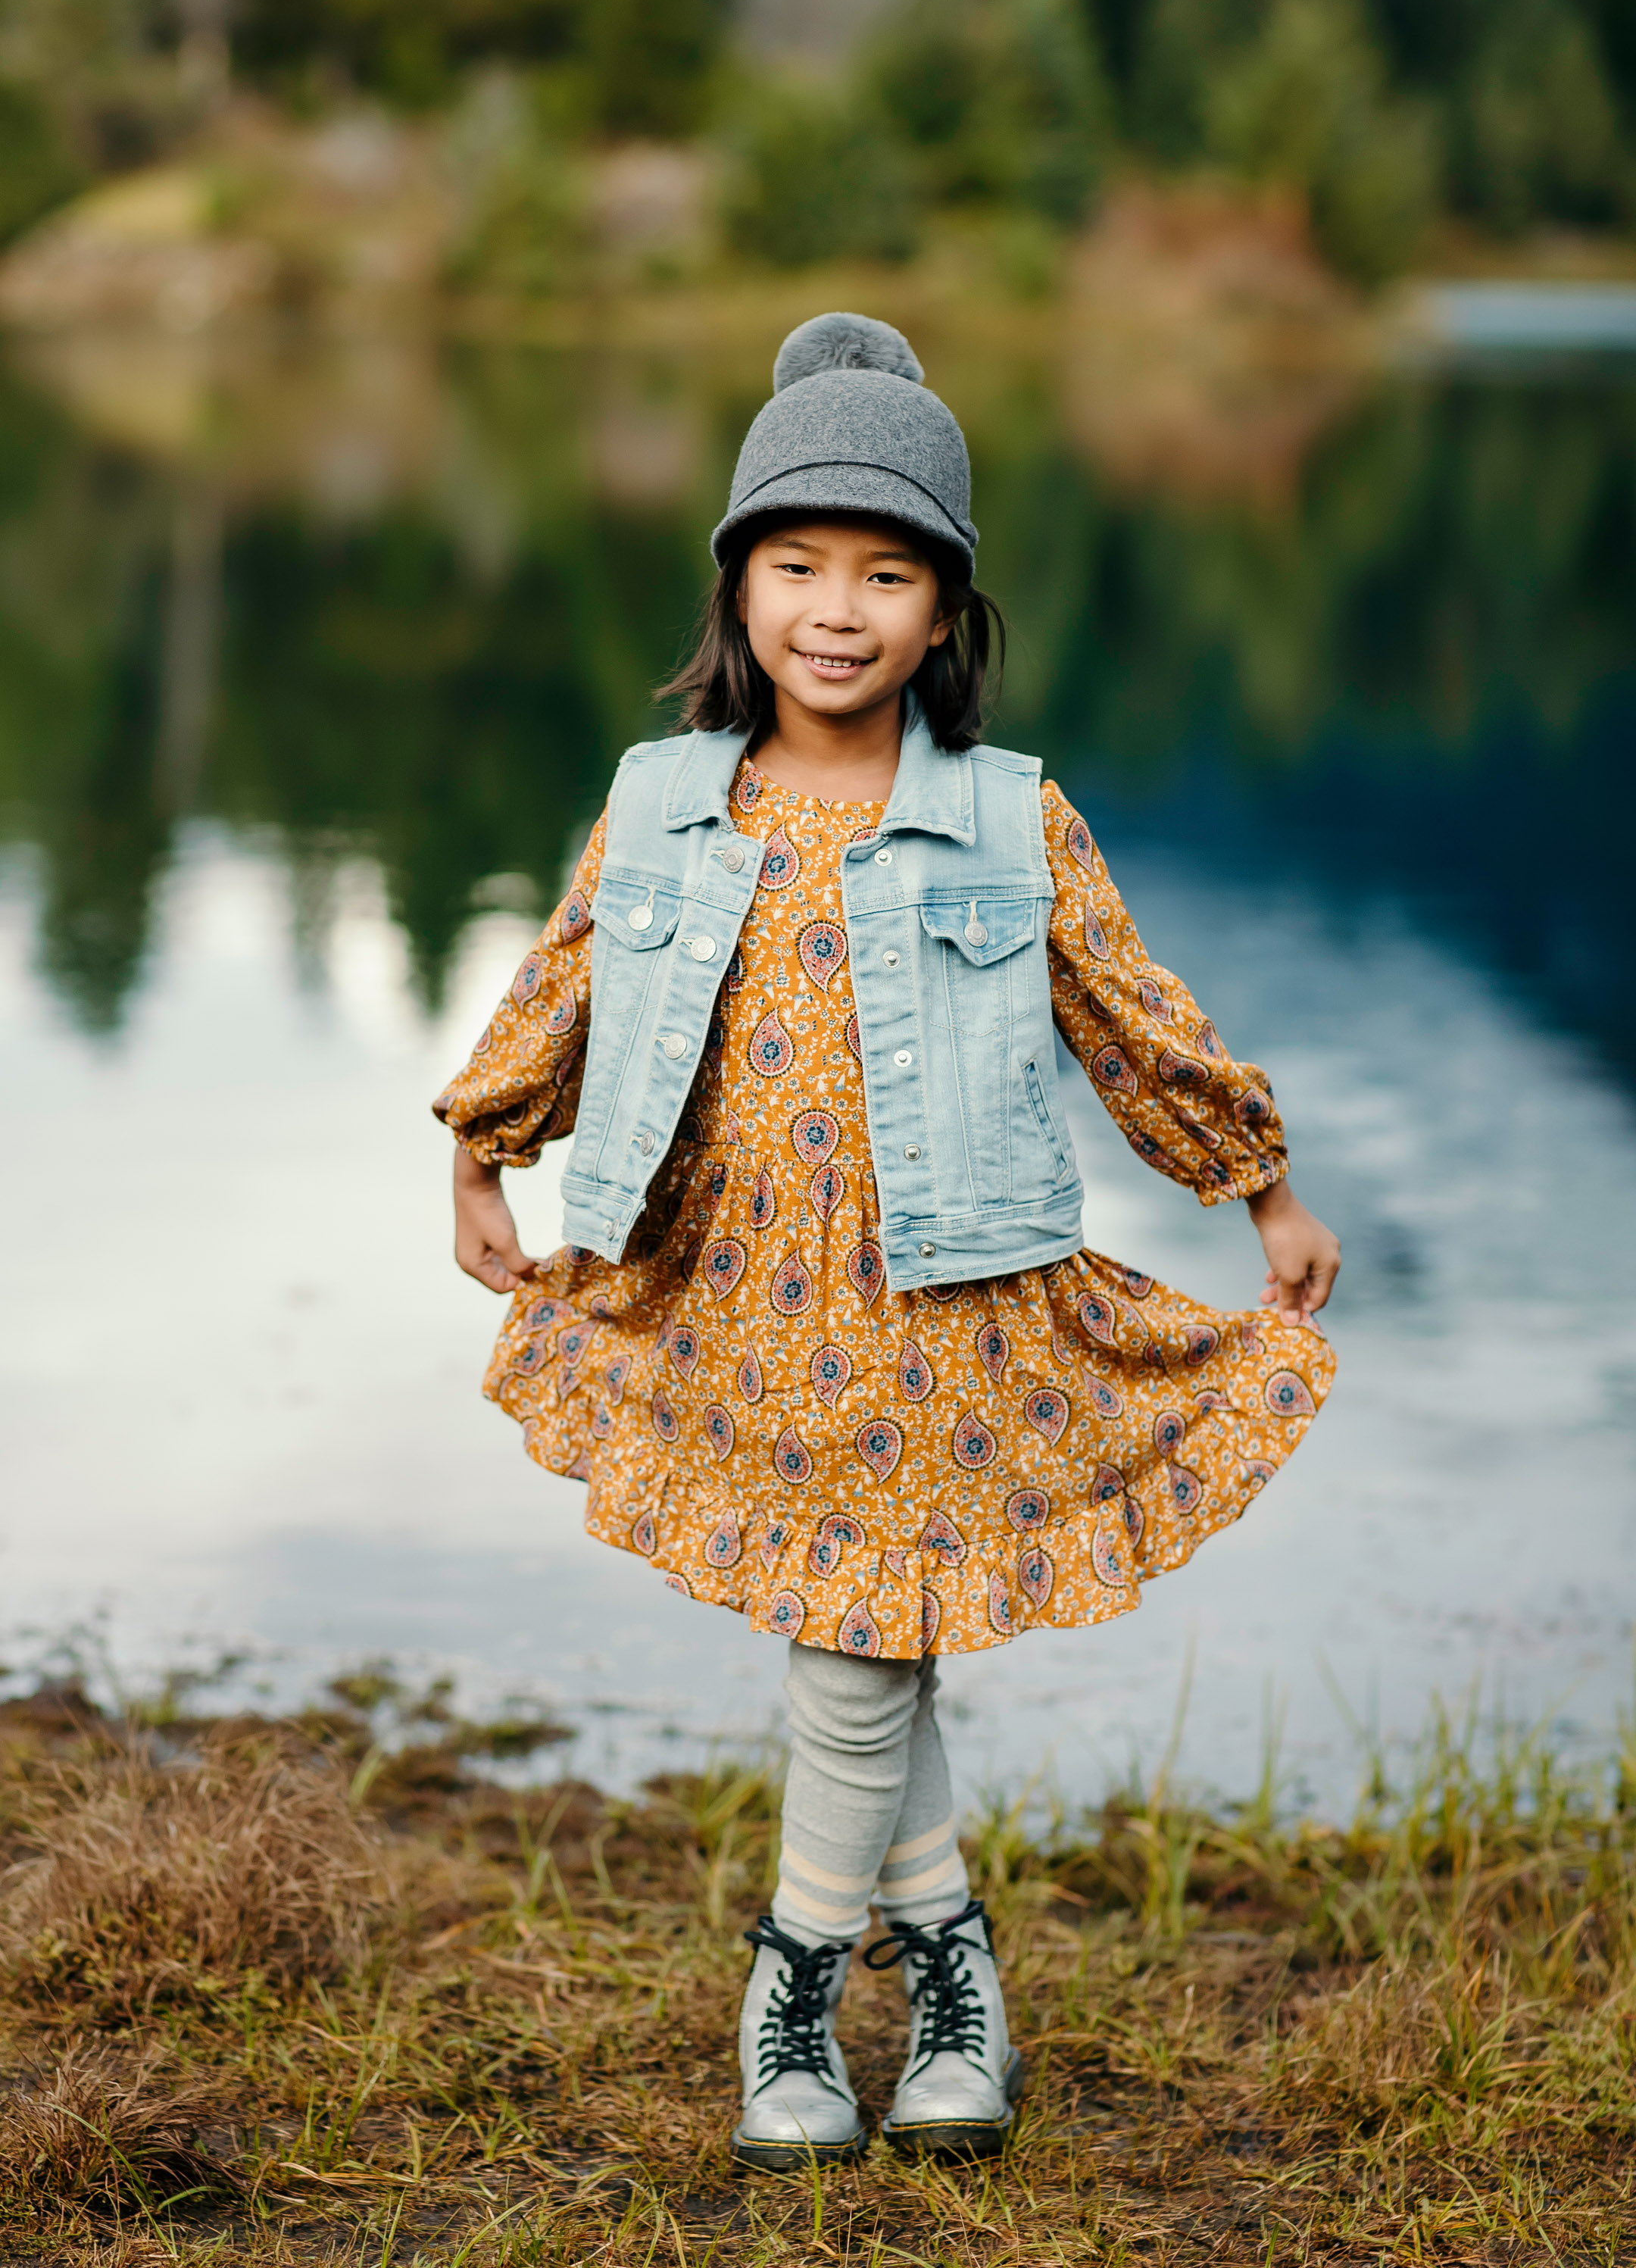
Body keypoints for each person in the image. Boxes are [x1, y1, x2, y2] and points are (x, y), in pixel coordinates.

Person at [433, 314, 1339, 2172]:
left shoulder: (1012, 820)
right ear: (738, 586)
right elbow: (575, 971)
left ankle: (792, 1983)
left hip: (949, 1294)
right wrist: (487, 1146)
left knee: (857, 1649)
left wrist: (1254, 1177)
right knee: (865, 1633)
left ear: (945, 615)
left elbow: (1128, 1011)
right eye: (795, 566)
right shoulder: (667, 798)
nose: (834, 610)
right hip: (735, 1285)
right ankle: (953, 1973)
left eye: (885, 573)